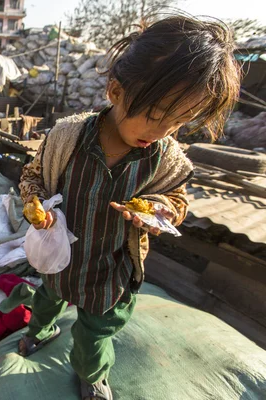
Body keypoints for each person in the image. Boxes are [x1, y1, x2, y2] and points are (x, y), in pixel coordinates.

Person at [17, 16, 240, 400]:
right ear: (116, 91)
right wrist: (33, 202)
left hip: (110, 271)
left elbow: (176, 200)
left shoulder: (165, 158)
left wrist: (159, 210)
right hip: (61, 257)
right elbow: (33, 175)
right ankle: (39, 332)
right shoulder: (68, 137)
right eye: (155, 115)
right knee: (46, 300)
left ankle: (91, 374)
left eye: (180, 122)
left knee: (94, 334)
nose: (161, 131)